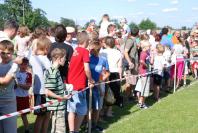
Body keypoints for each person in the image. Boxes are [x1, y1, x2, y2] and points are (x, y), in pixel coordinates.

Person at [67, 31, 94, 133]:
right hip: (79, 86)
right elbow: (86, 69)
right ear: (86, 41)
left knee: (71, 110)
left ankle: (71, 130)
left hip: (70, 85)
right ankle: (76, 130)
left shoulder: (75, 50)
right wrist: (91, 80)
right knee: (82, 111)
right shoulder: (85, 51)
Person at [45, 48, 71, 133]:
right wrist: (61, 97)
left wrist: (65, 86)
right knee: (59, 130)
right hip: (57, 106)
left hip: (59, 106)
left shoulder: (56, 71)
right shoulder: (53, 72)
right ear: (59, 58)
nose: (66, 60)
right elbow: (47, 91)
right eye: (64, 58)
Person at [29, 36, 52, 133]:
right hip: (43, 91)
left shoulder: (33, 57)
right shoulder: (44, 59)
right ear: (46, 48)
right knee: (42, 116)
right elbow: (52, 70)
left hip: (38, 90)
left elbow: (31, 52)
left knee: (44, 115)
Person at [88, 39, 110, 132]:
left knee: (96, 107)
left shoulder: (103, 60)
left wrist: (101, 80)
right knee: (88, 108)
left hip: (97, 87)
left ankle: (94, 125)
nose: (91, 51)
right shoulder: (87, 59)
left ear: (98, 50)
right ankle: (87, 125)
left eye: (93, 49)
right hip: (87, 86)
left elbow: (108, 72)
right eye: (90, 49)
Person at [100, 36, 123, 115]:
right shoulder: (117, 52)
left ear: (105, 44)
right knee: (112, 92)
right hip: (114, 73)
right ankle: (109, 111)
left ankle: (102, 111)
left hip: (104, 73)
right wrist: (120, 76)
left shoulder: (102, 52)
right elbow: (119, 66)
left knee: (104, 92)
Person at [0, 40, 19, 133]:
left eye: (8, 53)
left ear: (12, 53)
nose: (5, 55)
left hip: (8, 102)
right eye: (2, 52)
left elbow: (5, 81)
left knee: (10, 130)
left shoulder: (14, 65)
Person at [15, 57, 32, 133]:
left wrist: (18, 84)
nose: (23, 66)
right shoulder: (15, 74)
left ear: (27, 65)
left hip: (24, 97)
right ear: (19, 65)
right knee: (13, 115)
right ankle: (13, 129)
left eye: (25, 64)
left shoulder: (28, 75)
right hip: (15, 97)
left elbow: (27, 87)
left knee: (23, 115)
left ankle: (27, 130)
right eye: (22, 64)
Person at [124, 27, 139, 100]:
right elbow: (125, 52)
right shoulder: (130, 40)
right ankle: (127, 97)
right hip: (130, 63)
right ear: (137, 33)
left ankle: (130, 95)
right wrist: (130, 62)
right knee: (129, 81)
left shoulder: (134, 40)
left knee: (132, 80)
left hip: (134, 62)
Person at [135, 41, 151, 109]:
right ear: (145, 47)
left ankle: (140, 102)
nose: (150, 47)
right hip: (144, 73)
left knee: (142, 88)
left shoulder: (147, 53)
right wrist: (146, 65)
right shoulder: (143, 53)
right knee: (144, 89)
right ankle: (141, 103)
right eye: (149, 46)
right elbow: (141, 61)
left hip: (146, 72)